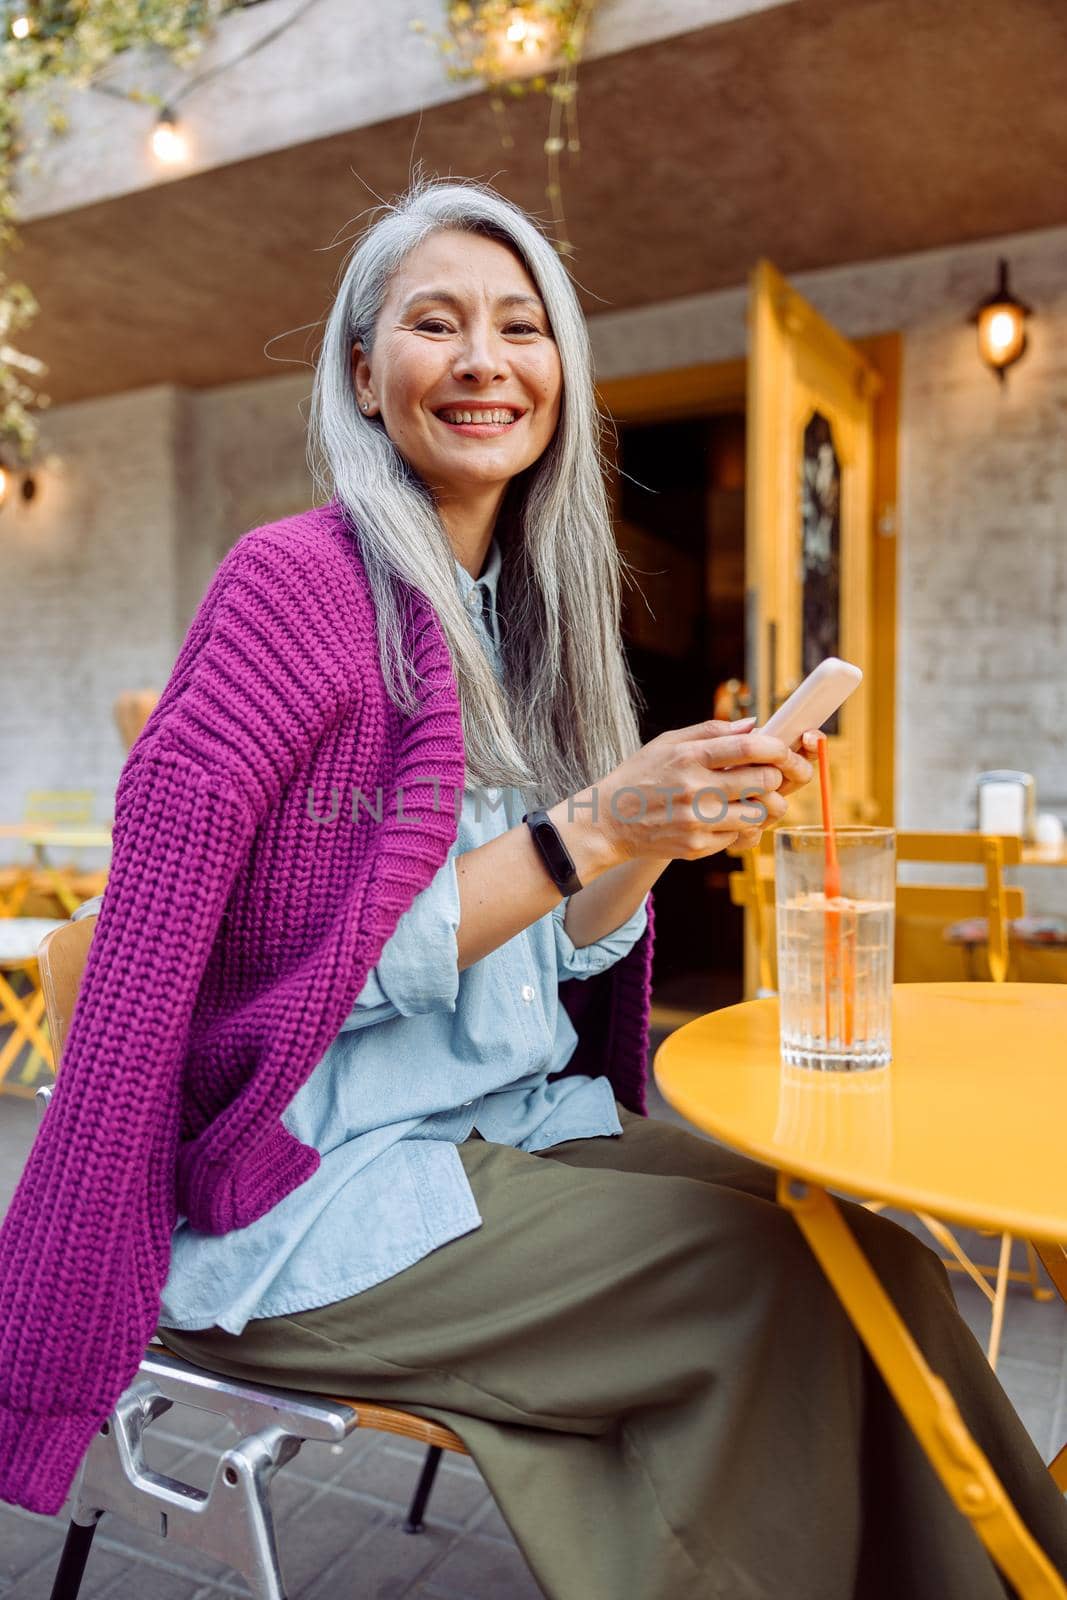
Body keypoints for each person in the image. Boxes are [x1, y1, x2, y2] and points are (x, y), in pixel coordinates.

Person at [1, 178, 1064, 1600]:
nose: (486, 359)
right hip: (302, 1182)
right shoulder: (293, 589)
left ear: (563, 369)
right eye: (436, 324)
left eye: (523, 325)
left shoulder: (539, 619)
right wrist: (585, 826)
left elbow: (553, 966)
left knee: (876, 1257)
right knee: (768, 1292)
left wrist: (638, 850)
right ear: (366, 376)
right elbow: (270, 966)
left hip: (498, 1121)